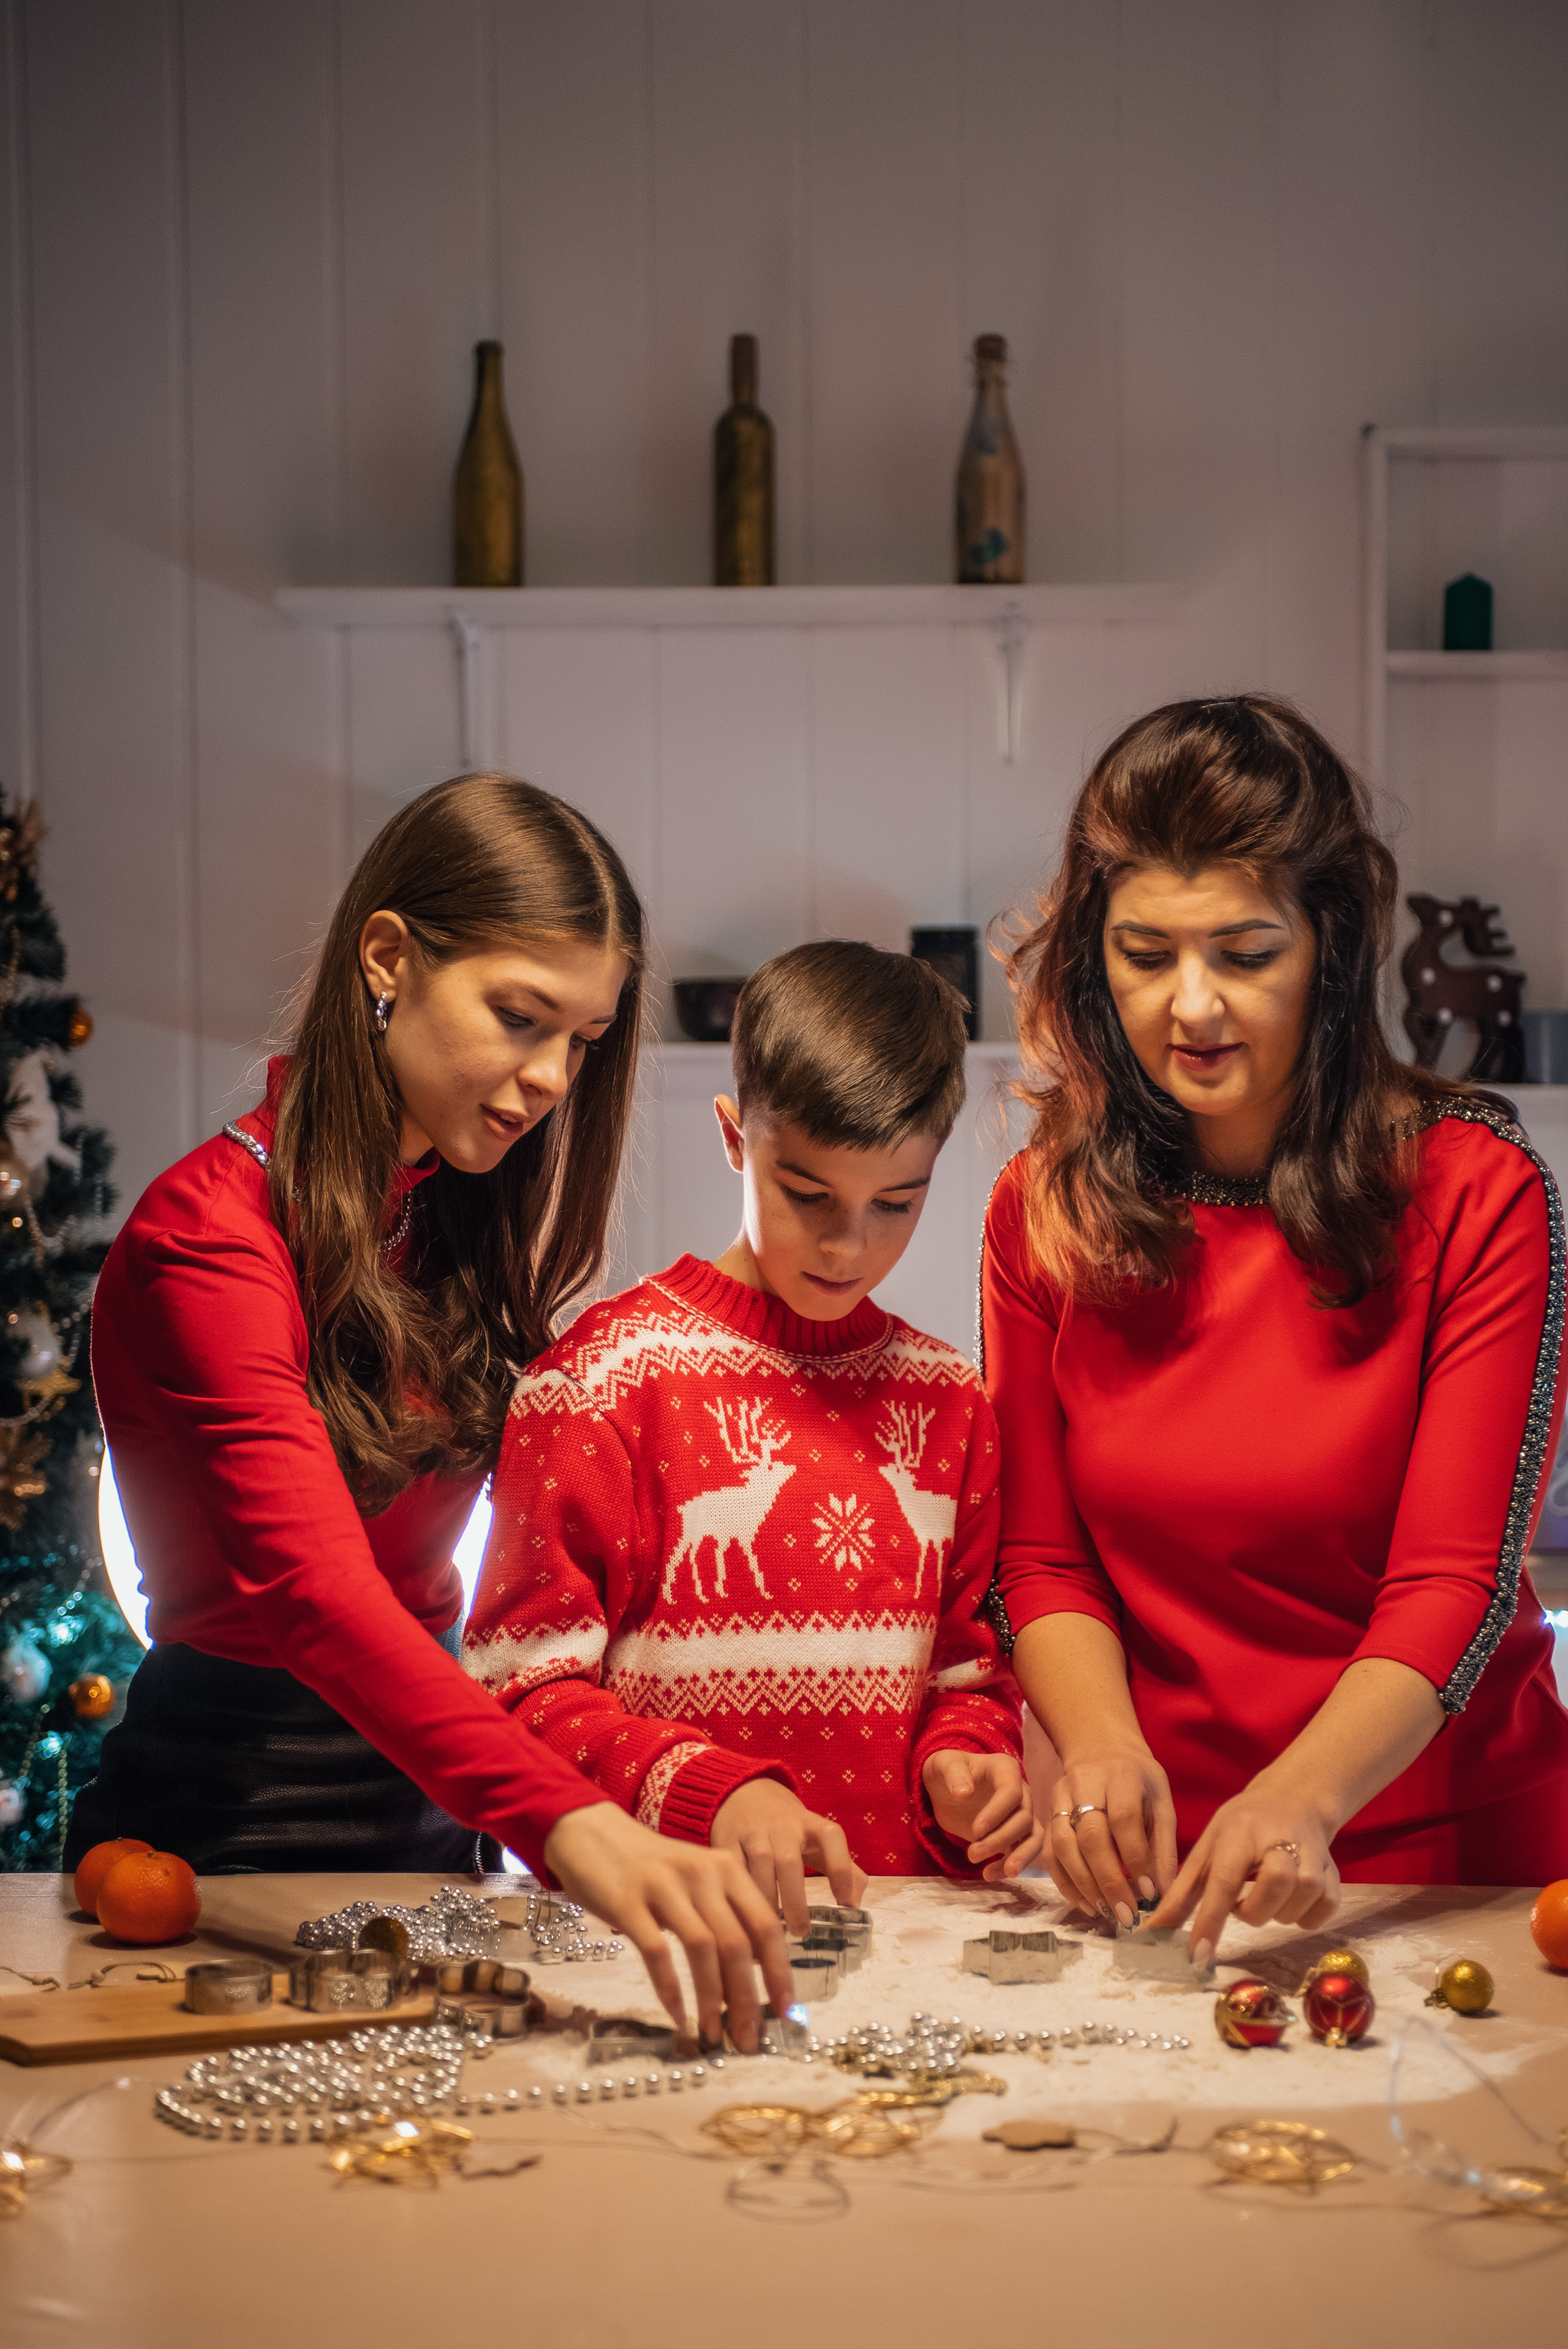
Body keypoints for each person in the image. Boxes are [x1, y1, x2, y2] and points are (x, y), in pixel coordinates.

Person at [72, 773, 794, 2048]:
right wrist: (580, 1825)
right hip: (223, 1839)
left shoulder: (450, 1220)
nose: (550, 1078)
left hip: (434, 1837)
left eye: (580, 1038)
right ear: (389, 957)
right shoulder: (207, 1236)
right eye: (520, 1018)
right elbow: (317, 1598)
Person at [984, 695, 1568, 1966]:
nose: (1189, 1008)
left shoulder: (1477, 1189)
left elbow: (1450, 1586)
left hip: (1440, 1863)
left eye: (1243, 954)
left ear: (1328, 946)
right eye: (1144, 956)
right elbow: (1038, 1557)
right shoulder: (1040, 1206)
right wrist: (1092, 1748)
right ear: (1094, 959)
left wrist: (1300, 1798)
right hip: (1156, 1864)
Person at [464, 940, 1042, 1934]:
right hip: (656, 1942)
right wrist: (706, 1791)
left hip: (891, 1946)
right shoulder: (599, 1383)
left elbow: (967, 1678)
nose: (846, 1244)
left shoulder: (951, 1405)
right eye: (808, 1194)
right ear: (736, 1137)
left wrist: (969, 1771)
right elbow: (516, 1695)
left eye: (895, 1205)